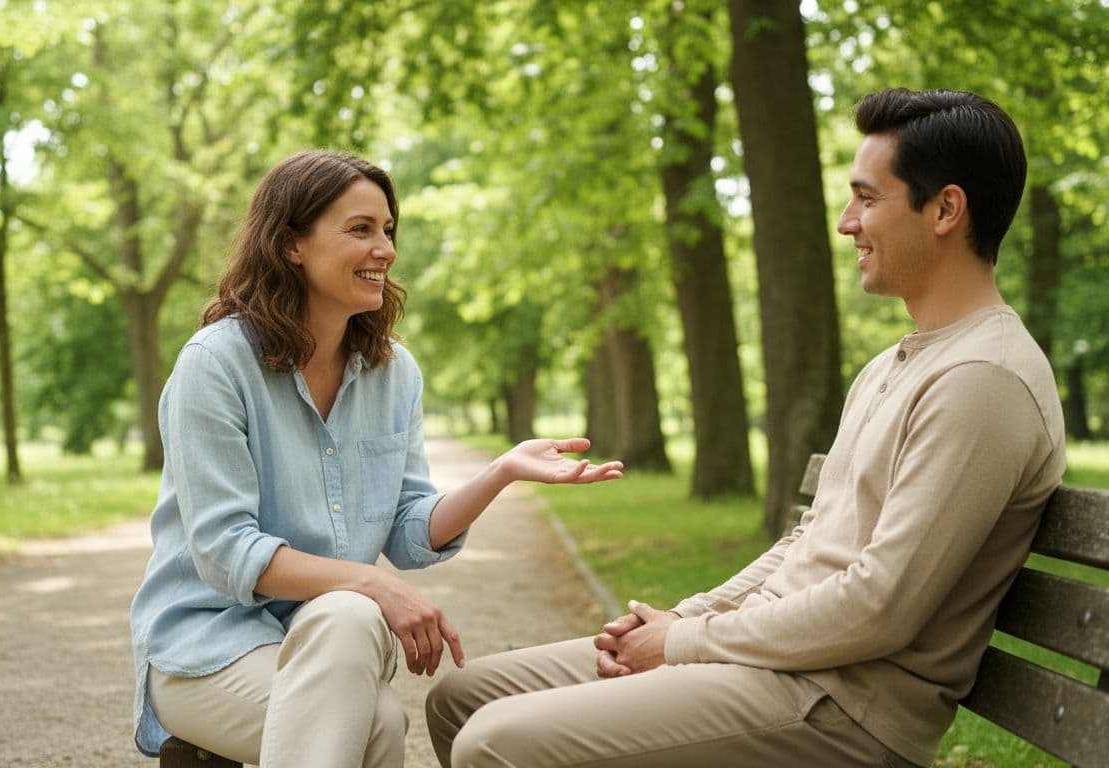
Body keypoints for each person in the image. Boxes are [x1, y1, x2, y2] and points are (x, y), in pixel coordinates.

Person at [425, 87, 1066, 768]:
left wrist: (682, 643)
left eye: (867, 199)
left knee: (495, 745)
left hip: (842, 711)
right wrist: (687, 618)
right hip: (771, 669)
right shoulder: (895, 364)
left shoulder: (983, 380)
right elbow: (808, 540)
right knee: (462, 697)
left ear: (945, 209)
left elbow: (880, 607)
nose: (847, 222)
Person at [128, 150, 623, 768]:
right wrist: (370, 581)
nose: (385, 248)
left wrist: (501, 472)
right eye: (360, 229)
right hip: (207, 647)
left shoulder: (395, 372)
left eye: (388, 230)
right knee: (374, 712)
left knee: (350, 619)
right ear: (291, 245)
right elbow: (226, 548)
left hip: (341, 640)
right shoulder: (216, 365)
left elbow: (410, 531)